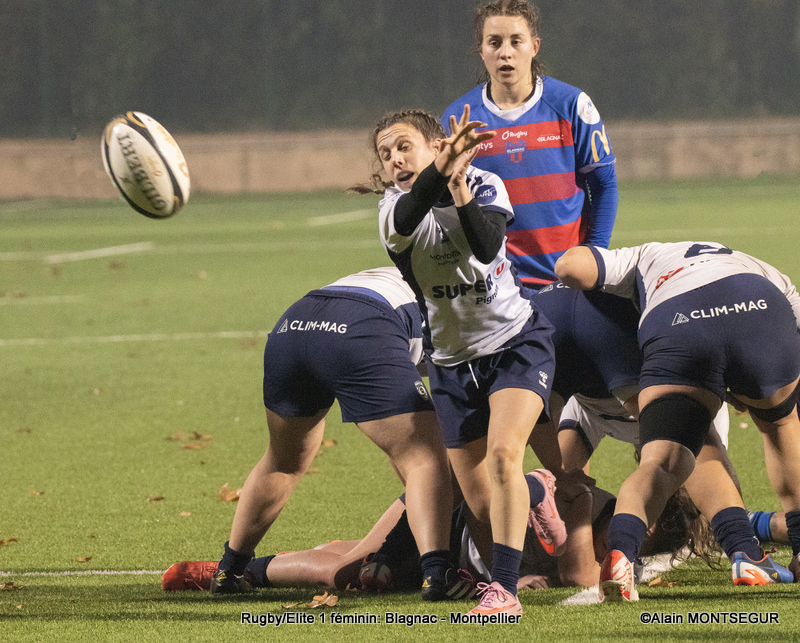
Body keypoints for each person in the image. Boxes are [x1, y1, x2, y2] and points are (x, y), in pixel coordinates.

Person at [370, 104, 564, 617]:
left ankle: (504, 591)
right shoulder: (394, 211)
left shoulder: (484, 183)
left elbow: (485, 246)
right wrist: (442, 172)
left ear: (437, 146)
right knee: (480, 500)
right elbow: (414, 212)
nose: (394, 159)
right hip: (451, 364)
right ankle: (532, 492)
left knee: (503, 455)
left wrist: (457, 182)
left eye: (403, 145)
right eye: (386, 153)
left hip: (515, 343)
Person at [555, 240, 800, 602]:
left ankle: (620, 555)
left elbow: (569, 268)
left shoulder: (642, 255)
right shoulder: (761, 266)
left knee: (661, 462)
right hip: (760, 303)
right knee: (781, 427)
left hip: (678, 318)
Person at [208, 267, 462, 602]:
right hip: (364, 325)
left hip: (295, 322)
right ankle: (437, 574)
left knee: (284, 461)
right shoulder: (487, 307)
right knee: (426, 459)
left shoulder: (443, 269)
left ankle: (230, 570)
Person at [441, 0, 618, 291]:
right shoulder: (458, 119)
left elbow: (604, 185)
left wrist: (594, 252)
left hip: (567, 281)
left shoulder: (571, 104)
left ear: (534, 47)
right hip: (496, 290)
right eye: (494, 43)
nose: (505, 52)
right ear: (481, 51)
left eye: (516, 41)